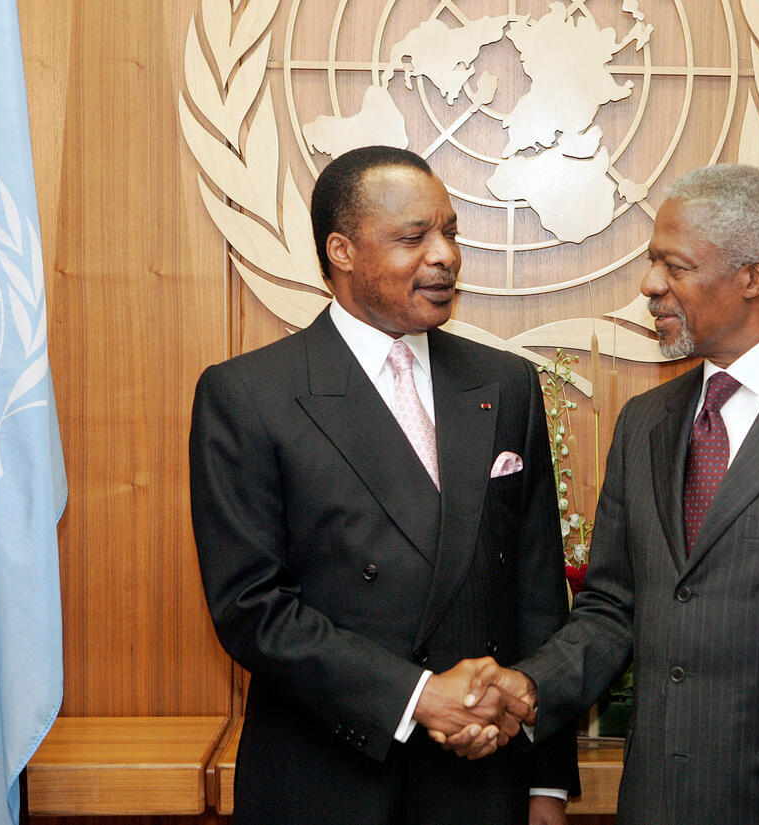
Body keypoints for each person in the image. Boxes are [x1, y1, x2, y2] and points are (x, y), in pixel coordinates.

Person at [457, 164, 759, 825]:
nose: (650, 284)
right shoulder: (645, 423)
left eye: (675, 265)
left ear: (754, 276)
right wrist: (527, 687)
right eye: (653, 262)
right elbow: (611, 610)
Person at [189, 145, 578, 825]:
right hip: (326, 780)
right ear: (341, 250)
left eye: (450, 232)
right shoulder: (249, 395)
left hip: (481, 777)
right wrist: (417, 696)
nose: (445, 256)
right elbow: (252, 608)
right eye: (413, 237)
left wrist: (547, 780)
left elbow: (537, 590)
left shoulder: (506, 383)